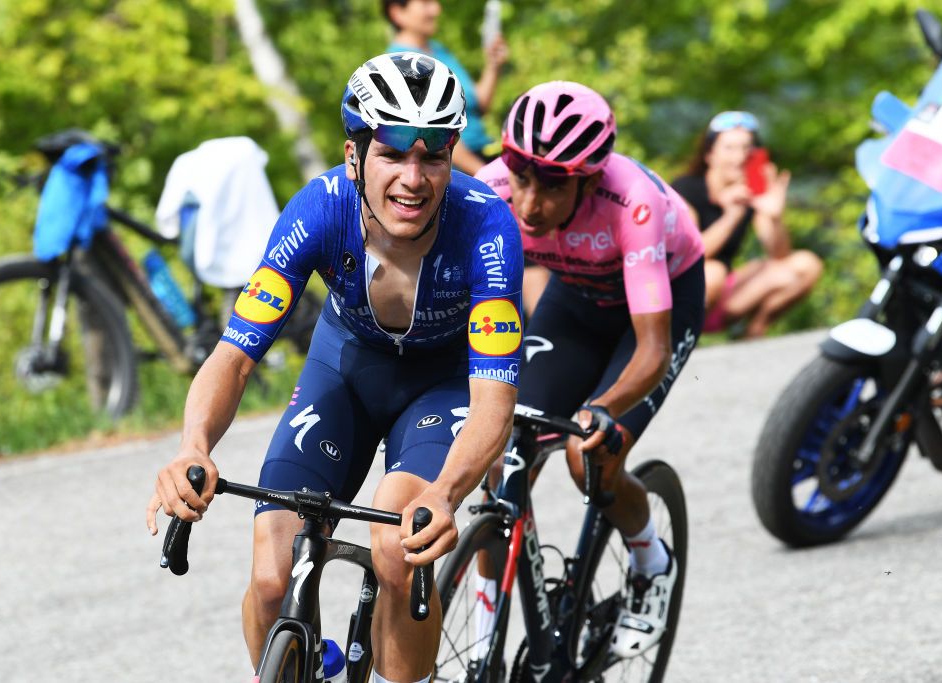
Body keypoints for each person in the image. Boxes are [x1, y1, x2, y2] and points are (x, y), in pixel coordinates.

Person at [145, 52, 524, 682]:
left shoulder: (487, 228)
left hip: (441, 386)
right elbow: (235, 355)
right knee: (271, 577)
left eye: (433, 155)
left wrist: (446, 492)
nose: (414, 177)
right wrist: (194, 446)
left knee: (401, 548)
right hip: (345, 371)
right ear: (355, 155)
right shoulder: (318, 210)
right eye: (393, 152)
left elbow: (493, 401)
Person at [475, 81, 706, 657]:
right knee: (499, 459)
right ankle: (482, 643)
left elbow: (651, 351)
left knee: (589, 454)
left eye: (552, 187)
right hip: (576, 302)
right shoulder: (490, 192)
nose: (528, 205)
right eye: (521, 178)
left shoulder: (633, 204)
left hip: (657, 308)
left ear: (589, 178)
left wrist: (599, 409)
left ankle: (651, 559)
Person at [671, 111, 823, 338]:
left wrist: (774, 215)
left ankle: (753, 332)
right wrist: (732, 215)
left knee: (807, 264)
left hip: (725, 296)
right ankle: (675, 339)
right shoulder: (684, 190)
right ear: (710, 154)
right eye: (730, 148)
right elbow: (689, 256)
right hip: (686, 294)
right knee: (713, 272)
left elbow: (779, 255)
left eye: (746, 148)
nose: (740, 156)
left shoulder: (751, 192)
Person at [383, 0, 509, 176]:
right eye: (426, 3)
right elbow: (434, 131)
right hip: (456, 165)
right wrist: (486, 175)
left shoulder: (439, 51)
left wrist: (493, 65)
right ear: (397, 12)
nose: (436, 9)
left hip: (483, 154)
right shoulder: (401, 63)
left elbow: (477, 105)